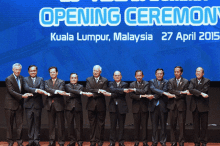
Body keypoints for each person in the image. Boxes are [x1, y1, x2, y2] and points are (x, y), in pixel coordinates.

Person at [5, 63, 33, 146]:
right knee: (9, 125)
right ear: (13, 70)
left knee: (19, 125)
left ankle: (19, 141)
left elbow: (25, 88)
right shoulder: (8, 79)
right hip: (9, 105)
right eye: (16, 69)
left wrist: (31, 92)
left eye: (19, 70)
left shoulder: (22, 78)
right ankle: (10, 141)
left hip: (19, 105)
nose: (17, 71)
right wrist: (22, 96)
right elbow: (11, 91)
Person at [23, 65, 49, 146]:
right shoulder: (25, 79)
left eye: (34, 71)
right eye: (31, 71)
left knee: (37, 123)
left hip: (38, 104)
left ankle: (36, 140)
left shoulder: (40, 79)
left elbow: (42, 89)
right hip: (28, 104)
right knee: (30, 123)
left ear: (36, 71)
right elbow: (26, 88)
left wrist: (34, 90)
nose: (33, 72)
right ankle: (31, 140)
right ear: (28, 72)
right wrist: (37, 90)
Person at [65, 73, 93, 146]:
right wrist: (81, 93)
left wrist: (75, 93)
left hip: (78, 107)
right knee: (70, 125)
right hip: (69, 108)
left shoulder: (80, 86)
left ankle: (79, 140)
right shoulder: (67, 86)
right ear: (70, 79)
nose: (73, 79)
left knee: (79, 125)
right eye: (72, 78)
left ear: (77, 79)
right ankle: (72, 140)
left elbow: (73, 93)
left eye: (75, 78)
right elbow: (71, 90)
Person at [149, 68, 175, 146]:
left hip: (163, 106)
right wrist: (164, 93)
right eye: (158, 73)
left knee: (163, 125)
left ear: (163, 75)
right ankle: (154, 141)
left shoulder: (166, 82)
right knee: (154, 125)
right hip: (153, 106)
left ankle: (163, 141)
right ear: (155, 74)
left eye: (161, 74)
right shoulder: (151, 81)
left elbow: (164, 90)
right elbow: (152, 89)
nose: (159, 75)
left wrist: (154, 96)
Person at [45, 66, 69, 146]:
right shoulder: (46, 82)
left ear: (57, 73)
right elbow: (46, 89)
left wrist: (53, 92)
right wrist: (56, 91)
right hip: (50, 105)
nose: (52, 73)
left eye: (54, 72)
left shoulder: (61, 81)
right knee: (51, 125)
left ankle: (61, 141)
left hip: (59, 105)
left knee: (60, 124)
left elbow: (61, 90)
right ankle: (52, 141)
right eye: (51, 72)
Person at [106, 71, 130, 146]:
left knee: (121, 126)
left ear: (121, 76)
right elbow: (112, 90)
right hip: (113, 107)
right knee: (112, 125)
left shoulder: (125, 84)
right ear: (113, 77)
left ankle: (121, 141)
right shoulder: (110, 84)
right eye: (115, 75)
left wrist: (111, 94)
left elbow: (121, 94)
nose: (117, 76)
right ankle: (112, 141)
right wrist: (121, 90)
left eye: (118, 75)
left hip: (122, 107)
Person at [86, 65, 108, 146]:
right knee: (92, 124)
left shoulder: (105, 80)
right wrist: (99, 90)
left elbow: (104, 91)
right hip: (91, 105)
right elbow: (88, 89)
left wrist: (93, 94)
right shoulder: (88, 79)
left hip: (101, 105)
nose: (95, 72)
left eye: (97, 71)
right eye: (94, 70)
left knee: (101, 124)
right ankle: (92, 141)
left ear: (100, 72)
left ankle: (100, 141)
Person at [129, 70, 153, 146]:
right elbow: (131, 96)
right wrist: (141, 96)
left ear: (143, 76)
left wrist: (135, 90)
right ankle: (136, 141)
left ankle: (145, 141)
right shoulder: (132, 84)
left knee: (144, 125)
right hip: (135, 108)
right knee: (136, 126)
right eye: (137, 76)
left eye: (140, 75)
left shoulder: (146, 83)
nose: (139, 77)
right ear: (135, 76)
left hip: (144, 108)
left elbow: (145, 91)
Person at [188, 67, 210, 146]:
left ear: (203, 73)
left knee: (204, 126)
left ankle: (204, 141)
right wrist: (200, 93)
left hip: (203, 106)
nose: (198, 73)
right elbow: (190, 89)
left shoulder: (207, 81)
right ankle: (196, 142)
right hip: (195, 106)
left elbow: (205, 90)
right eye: (197, 71)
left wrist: (195, 92)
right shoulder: (192, 80)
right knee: (196, 126)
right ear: (195, 73)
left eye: (199, 71)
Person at [167, 66, 189, 146]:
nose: (176, 73)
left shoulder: (186, 81)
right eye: (175, 72)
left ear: (181, 73)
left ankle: (181, 142)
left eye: (178, 72)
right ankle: (173, 142)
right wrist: (180, 92)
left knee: (182, 125)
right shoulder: (170, 81)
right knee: (172, 125)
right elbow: (170, 90)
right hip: (172, 106)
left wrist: (175, 94)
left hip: (181, 106)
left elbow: (185, 94)